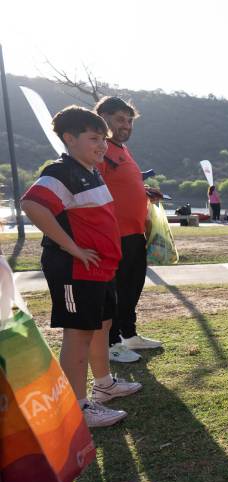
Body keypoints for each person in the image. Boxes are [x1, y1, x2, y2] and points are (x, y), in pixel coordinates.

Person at [20, 106, 142, 428]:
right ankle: (77, 407)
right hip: (74, 269)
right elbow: (32, 204)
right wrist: (70, 245)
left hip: (100, 268)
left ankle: (104, 385)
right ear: (69, 139)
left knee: (101, 325)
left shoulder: (91, 170)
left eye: (103, 138)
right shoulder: (62, 171)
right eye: (93, 138)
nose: (102, 144)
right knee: (79, 333)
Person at [95, 97, 164, 364]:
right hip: (114, 235)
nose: (126, 125)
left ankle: (129, 334)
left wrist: (145, 192)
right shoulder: (101, 150)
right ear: (104, 118)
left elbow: (122, 185)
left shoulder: (121, 149)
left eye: (129, 120)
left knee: (132, 287)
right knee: (114, 292)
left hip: (135, 232)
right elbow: (95, 187)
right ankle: (110, 343)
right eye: (120, 119)